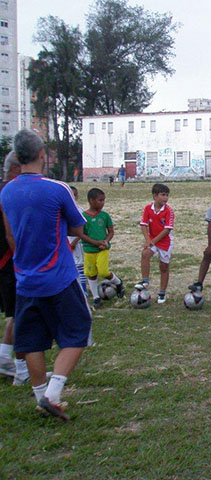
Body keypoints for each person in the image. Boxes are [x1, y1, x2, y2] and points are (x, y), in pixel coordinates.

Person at [0, 129, 92, 421]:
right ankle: (52, 394)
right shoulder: (57, 189)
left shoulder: (7, 191)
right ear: (41, 155)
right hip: (59, 277)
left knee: (32, 341)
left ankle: (41, 397)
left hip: (25, 278)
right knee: (78, 331)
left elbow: (11, 237)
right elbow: (78, 229)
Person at [0, 151, 29, 385]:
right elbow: (10, 234)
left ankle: (4, 359)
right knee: (21, 313)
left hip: (6, 263)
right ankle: (21, 370)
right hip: (9, 263)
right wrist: (22, 259)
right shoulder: (8, 194)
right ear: (15, 169)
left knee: (14, 313)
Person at [78, 188, 125, 308]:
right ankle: (96, 297)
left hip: (102, 249)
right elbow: (82, 234)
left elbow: (110, 232)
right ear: (91, 200)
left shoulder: (105, 216)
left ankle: (118, 282)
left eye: (104, 200)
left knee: (103, 271)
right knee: (91, 273)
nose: (103, 203)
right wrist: (94, 242)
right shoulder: (83, 217)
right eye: (100, 200)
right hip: (89, 250)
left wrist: (105, 241)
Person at [134, 184, 174, 304]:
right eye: (163, 195)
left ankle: (162, 292)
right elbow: (143, 225)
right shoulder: (148, 208)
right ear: (155, 196)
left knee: (164, 267)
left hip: (165, 242)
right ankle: (145, 281)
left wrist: (152, 241)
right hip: (153, 240)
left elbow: (166, 230)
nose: (165, 198)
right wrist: (148, 240)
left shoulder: (169, 211)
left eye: (167, 195)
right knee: (145, 254)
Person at [68, 186, 87, 296]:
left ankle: (83, 289)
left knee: (80, 265)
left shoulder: (79, 210)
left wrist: (75, 241)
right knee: (72, 265)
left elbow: (83, 229)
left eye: (74, 195)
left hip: (77, 242)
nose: (72, 198)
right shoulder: (64, 210)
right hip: (67, 241)